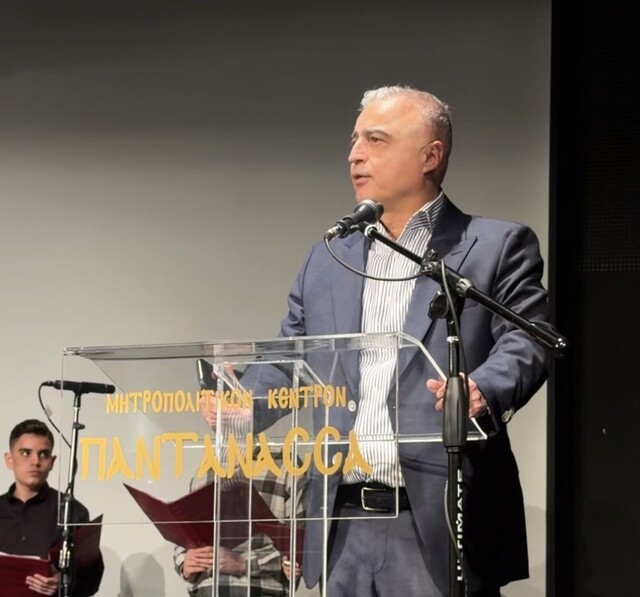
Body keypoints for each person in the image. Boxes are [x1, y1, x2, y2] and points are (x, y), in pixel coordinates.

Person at [236, 85, 555, 597]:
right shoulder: (328, 258)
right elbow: (288, 356)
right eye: (354, 140)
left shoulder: (494, 246)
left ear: (431, 156)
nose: (355, 154)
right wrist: (238, 403)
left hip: (437, 520)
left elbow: (529, 338)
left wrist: (482, 389)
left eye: (375, 139)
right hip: (340, 522)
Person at [173, 388, 308, 596]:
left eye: (216, 401)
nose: (209, 411)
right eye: (205, 402)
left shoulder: (283, 464)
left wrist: (244, 563)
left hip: (260, 590)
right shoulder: (205, 471)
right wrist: (186, 562)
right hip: (208, 590)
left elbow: (299, 547)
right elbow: (184, 538)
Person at [0, 419, 104, 596]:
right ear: (9, 460)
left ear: (52, 462)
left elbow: (91, 578)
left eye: (44, 454)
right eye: (25, 453)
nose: (35, 461)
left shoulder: (72, 511)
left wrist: (64, 583)